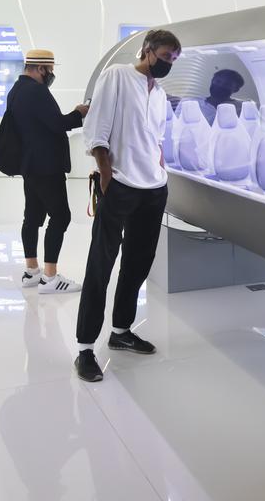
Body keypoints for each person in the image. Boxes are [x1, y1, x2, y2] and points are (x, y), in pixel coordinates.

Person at [74, 29, 182, 382]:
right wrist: (106, 176)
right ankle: (85, 348)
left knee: (137, 265)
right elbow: (97, 129)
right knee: (101, 265)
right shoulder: (118, 76)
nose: (169, 64)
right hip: (120, 184)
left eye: (174, 60)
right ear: (148, 51)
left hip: (153, 189)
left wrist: (161, 170)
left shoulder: (161, 93)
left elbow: (157, 139)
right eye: (166, 57)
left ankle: (121, 331)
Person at [8, 49, 88, 294]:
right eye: (51, 70)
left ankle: (31, 271)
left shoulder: (16, 91)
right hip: (47, 166)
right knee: (60, 216)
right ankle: (51, 278)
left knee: (32, 216)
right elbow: (58, 124)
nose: (52, 75)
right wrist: (79, 114)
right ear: (41, 68)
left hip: (30, 164)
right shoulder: (37, 91)